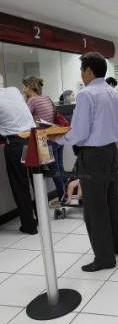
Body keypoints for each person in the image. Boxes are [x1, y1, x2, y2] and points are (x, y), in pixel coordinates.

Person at [53, 52, 118, 272]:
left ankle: (104, 258)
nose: (81, 74)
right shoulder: (112, 92)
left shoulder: (86, 94)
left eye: (81, 69)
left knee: (95, 208)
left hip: (93, 155)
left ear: (89, 70)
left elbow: (80, 132)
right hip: (111, 152)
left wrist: (58, 139)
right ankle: (117, 246)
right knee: (111, 202)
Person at [22, 75, 66, 204]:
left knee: (54, 171)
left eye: (24, 86)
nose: (23, 89)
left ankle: (62, 198)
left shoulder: (32, 101)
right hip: (57, 136)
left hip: (44, 140)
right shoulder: (46, 97)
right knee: (60, 169)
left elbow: (24, 117)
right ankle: (66, 195)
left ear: (29, 87)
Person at [0, 86, 37, 234]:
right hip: (33, 139)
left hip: (16, 143)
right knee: (37, 180)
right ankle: (41, 218)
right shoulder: (14, 90)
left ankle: (29, 226)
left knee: (20, 185)